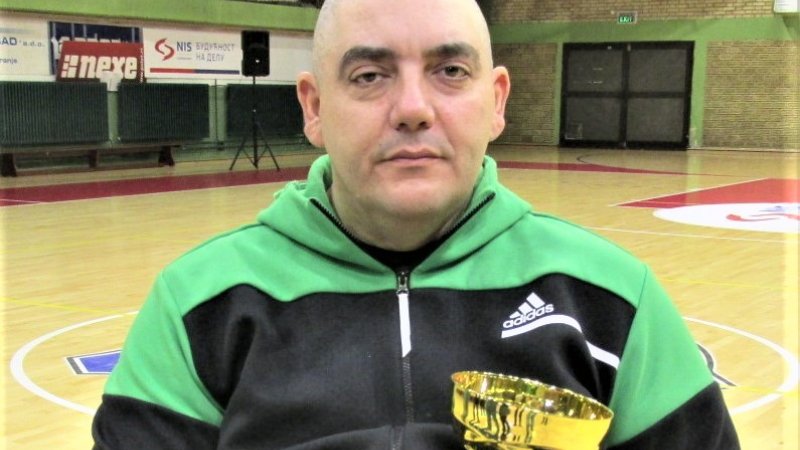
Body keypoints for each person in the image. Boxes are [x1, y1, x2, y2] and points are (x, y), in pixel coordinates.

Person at [91, 0, 741, 448]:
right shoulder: (196, 307)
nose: (412, 108)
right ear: (313, 108)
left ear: (496, 101)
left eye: (450, 71)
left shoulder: (614, 299)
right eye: (370, 75)